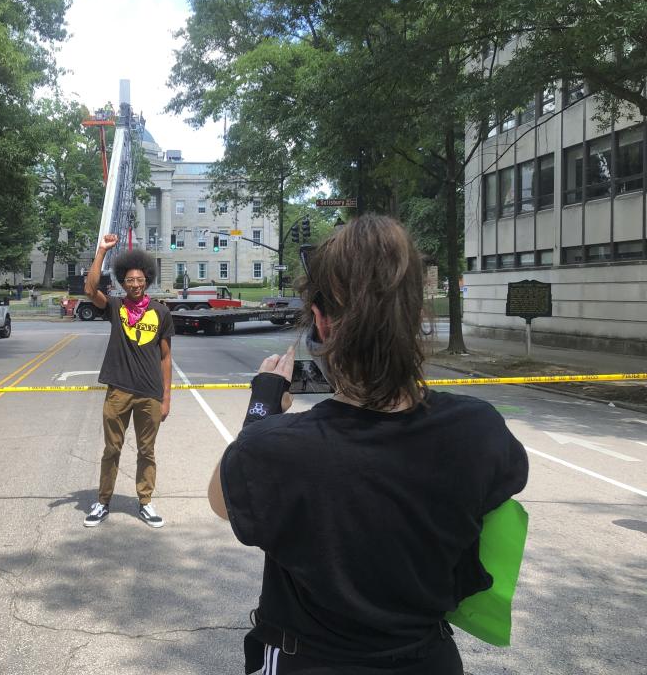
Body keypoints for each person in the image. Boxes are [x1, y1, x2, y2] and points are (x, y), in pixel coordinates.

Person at [207, 214, 528, 674]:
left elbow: (222, 501)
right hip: (429, 658)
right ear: (418, 315)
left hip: (308, 660)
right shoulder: (480, 430)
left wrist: (262, 406)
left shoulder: (275, 448)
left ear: (322, 323)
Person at [83, 233, 174, 529]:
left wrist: (166, 398)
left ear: (147, 279)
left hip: (149, 393)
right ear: (123, 282)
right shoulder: (115, 308)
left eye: (140, 279)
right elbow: (89, 288)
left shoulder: (160, 312)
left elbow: (166, 358)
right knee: (112, 449)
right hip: (119, 390)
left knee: (147, 451)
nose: (135, 284)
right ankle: (103, 501)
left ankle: (145, 502)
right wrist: (102, 252)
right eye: (129, 280)